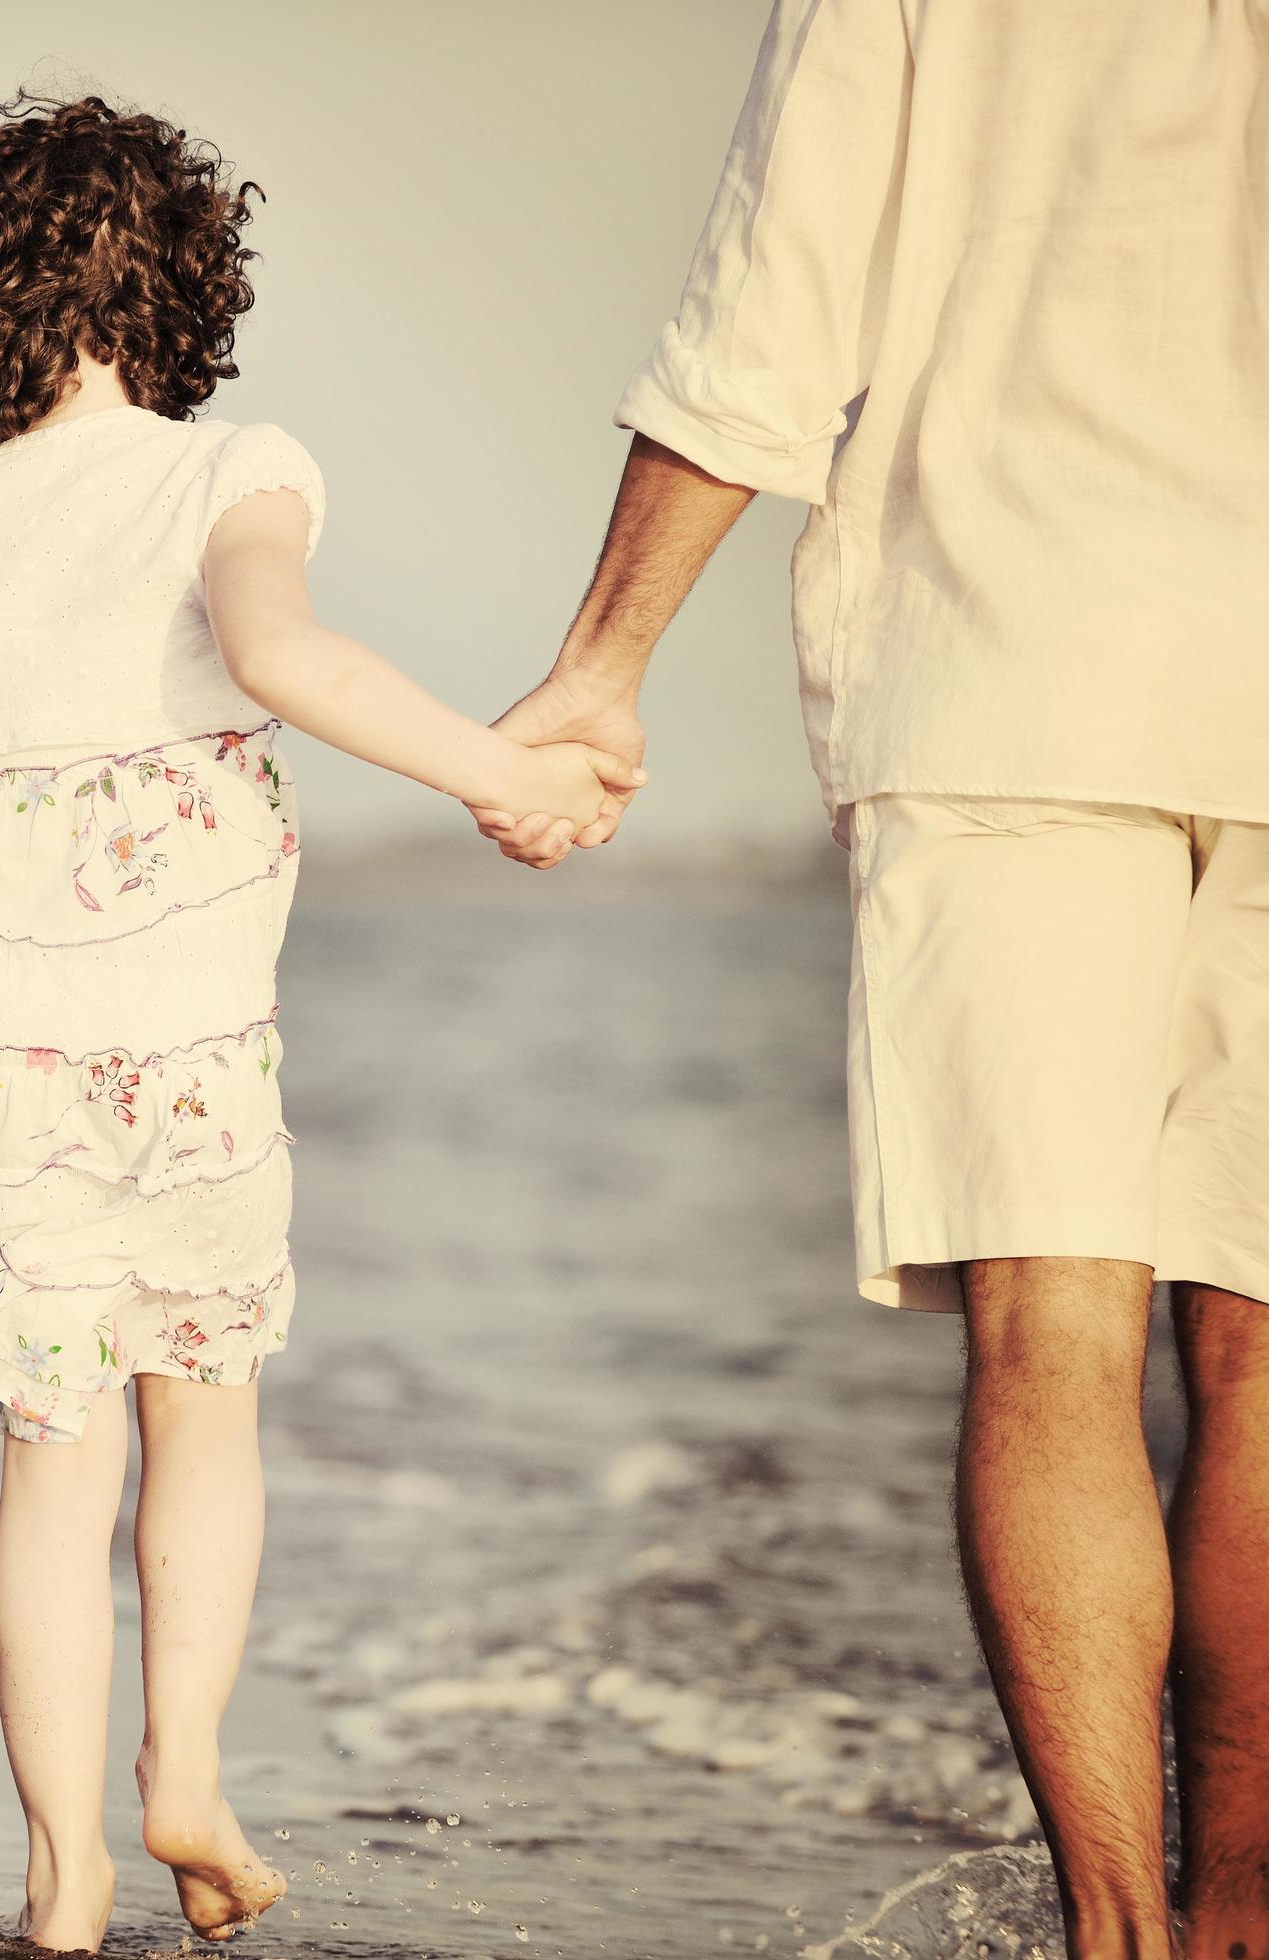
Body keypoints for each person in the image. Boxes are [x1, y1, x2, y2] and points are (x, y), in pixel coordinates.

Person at [0, 95, 633, 1954]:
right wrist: (495, 774)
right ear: (180, 287)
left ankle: (61, 1879)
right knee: (205, 1422)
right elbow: (289, 658)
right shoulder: (232, 470)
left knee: (57, 1468)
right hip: (201, 1062)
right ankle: (185, 1767)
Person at [476, 5, 1269, 1955]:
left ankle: (1123, 1937)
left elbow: (772, 311)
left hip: (1021, 651)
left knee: (1053, 1334)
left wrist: (601, 660)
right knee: (1262, 1348)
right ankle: (1245, 1910)